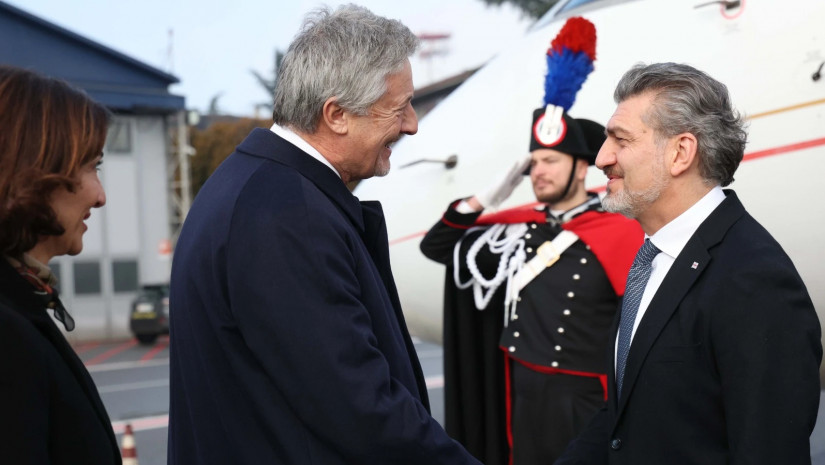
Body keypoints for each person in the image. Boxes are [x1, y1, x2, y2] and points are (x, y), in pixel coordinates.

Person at [167, 5, 481, 465]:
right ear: (336, 114)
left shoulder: (254, 186)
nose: (412, 124)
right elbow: (360, 408)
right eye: (399, 108)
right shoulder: (288, 214)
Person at [555, 62, 822, 465]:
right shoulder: (653, 259)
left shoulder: (754, 279)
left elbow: (767, 449)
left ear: (680, 153)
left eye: (620, 140)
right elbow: (625, 416)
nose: (601, 158)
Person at [420, 17, 643, 465]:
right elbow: (438, 247)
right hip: (519, 393)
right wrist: (486, 198)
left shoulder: (620, 226)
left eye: (550, 161)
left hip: (585, 399)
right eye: (533, 162)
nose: (538, 171)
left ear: (580, 168)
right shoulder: (518, 228)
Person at [0, 66, 120, 464]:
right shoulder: (7, 334)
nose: (100, 196)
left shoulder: (22, 302)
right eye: (90, 166)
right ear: (32, 170)